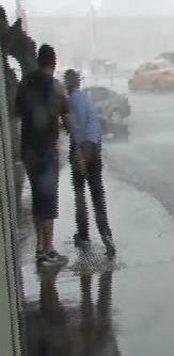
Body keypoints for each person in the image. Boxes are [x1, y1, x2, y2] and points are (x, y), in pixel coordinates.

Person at [16, 44, 70, 267]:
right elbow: (67, 119)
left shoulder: (24, 83)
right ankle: (48, 250)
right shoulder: (55, 87)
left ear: (39, 61)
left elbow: (17, 112)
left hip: (28, 149)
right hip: (46, 150)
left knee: (38, 198)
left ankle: (40, 248)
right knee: (48, 201)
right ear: (54, 62)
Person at [63, 69, 116, 257]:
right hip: (94, 147)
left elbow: (77, 129)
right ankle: (106, 236)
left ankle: (84, 235)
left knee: (80, 195)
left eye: (65, 81)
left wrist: (79, 155)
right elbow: (95, 124)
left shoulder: (73, 100)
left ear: (69, 83)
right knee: (97, 194)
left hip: (82, 149)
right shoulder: (86, 98)